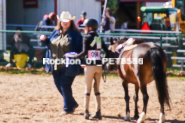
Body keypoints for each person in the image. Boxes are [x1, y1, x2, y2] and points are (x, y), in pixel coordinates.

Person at [40, 11, 83, 115]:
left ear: (70, 21)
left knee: (65, 85)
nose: (65, 23)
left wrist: (82, 61)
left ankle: (68, 108)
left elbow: (81, 49)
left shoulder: (76, 34)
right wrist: (44, 40)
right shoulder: (55, 32)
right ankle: (72, 103)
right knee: (58, 85)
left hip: (69, 64)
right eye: (63, 21)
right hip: (55, 64)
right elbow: (50, 44)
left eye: (67, 21)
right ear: (60, 21)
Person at [65, 19, 108, 120]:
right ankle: (98, 112)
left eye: (85, 27)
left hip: (89, 66)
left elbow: (84, 52)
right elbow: (106, 51)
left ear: (89, 28)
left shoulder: (86, 37)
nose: (84, 29)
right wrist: (104, 62)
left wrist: (74, 57)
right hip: (99, 66)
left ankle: (86, 111)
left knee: (87, 89)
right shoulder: (98, 38)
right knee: (97, 90)